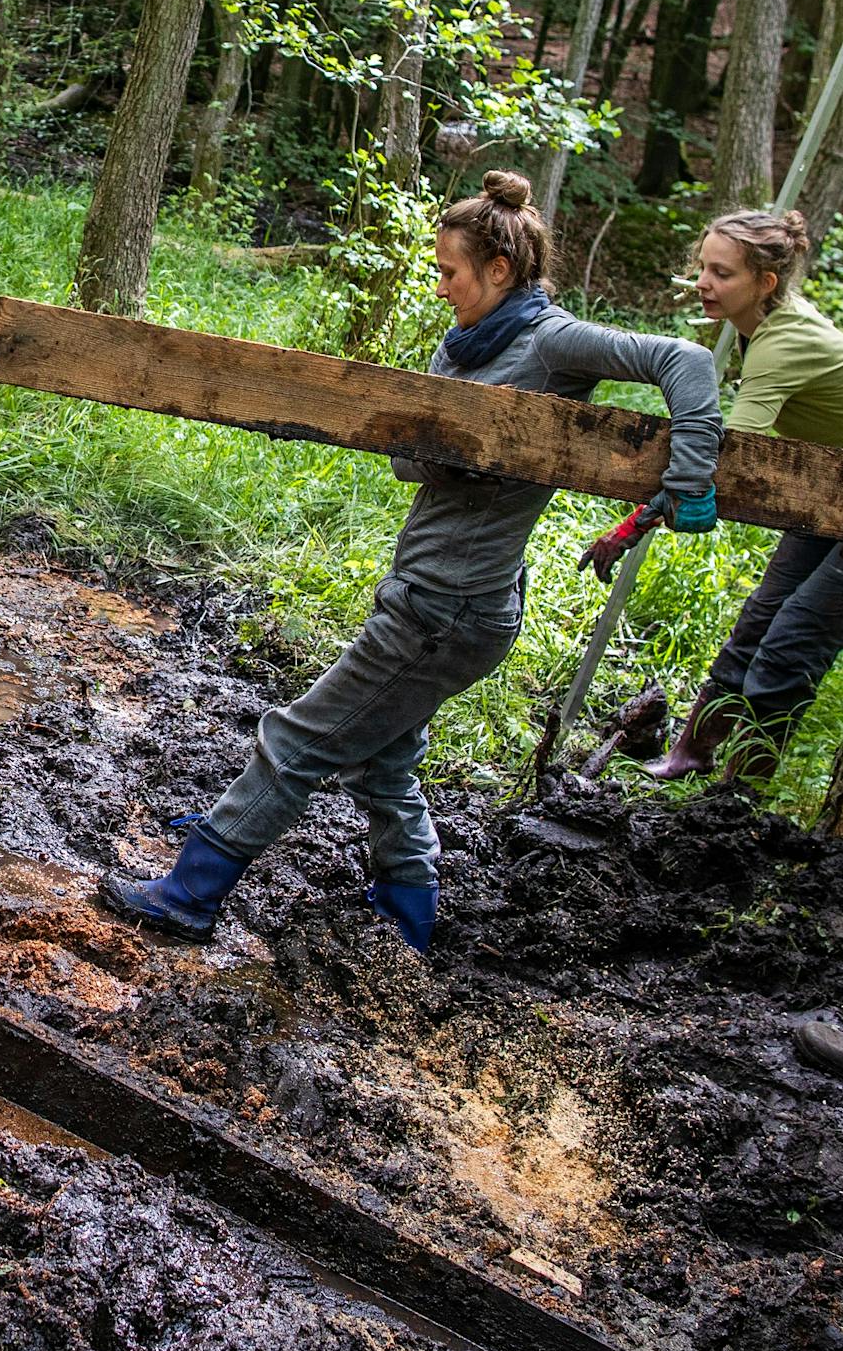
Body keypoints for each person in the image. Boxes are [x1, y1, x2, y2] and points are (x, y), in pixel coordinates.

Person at [100, 171, 722, 955]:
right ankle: (407, 908)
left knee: (295, 741)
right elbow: (408, 460)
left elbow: (689, 361)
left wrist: (689, 473)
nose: (438, 287)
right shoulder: (463, 347)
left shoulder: (552, 341)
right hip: (435, 594)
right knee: (384, 756)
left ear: (499, 271)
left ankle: (191, 890)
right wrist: (455, 448)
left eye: (448, 272)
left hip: (449, 606)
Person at [634, 209, 843, 789]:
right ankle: (691, 754)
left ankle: (738, 798)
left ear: (765, 283)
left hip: (831, 493)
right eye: (703, 267)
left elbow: (729, 456)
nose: (703, 281)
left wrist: (641, 516)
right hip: (832, 493)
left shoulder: (785, 341)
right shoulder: (764, 328)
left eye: (721, 273)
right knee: (759, 623)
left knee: (792, 641)